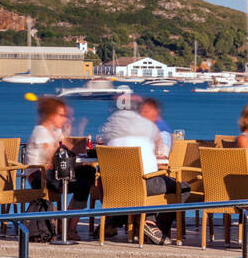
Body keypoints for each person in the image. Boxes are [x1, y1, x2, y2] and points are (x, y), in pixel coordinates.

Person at [97, 101, 183, 244]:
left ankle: (116, 220)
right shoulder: (150, 128)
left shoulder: (109, 129)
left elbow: (101, 143)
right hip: (143, 182)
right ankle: (152, 224)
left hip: (111, 186)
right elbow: (159, 154)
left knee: (140, 189)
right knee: (182, 188)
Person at [25, 96, 96, 241]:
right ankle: (68, 226)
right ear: (51, 115)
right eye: (61, 115)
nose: (64, 118)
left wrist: (75, 131)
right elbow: (53, 157)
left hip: (55, 172)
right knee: (82, 182)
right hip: (40, 176)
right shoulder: (40, 132)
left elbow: (70, 150)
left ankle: (69, 224)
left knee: (88, 173)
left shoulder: (55, 131)